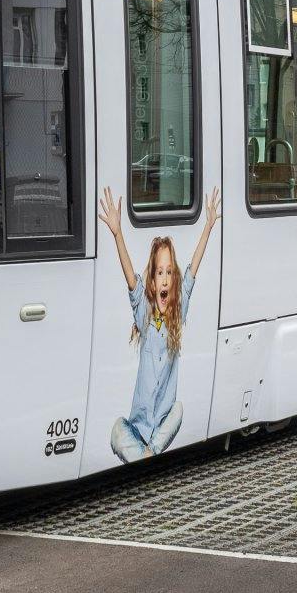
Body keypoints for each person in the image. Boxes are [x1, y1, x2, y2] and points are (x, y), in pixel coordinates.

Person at [96, 184, 221, 462]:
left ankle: (147, 454)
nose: (164, 279)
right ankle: (146, 456)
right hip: (137, 430)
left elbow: (192, 271)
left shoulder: (178, 312)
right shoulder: (143, 314)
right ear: (152, 282)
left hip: (161, 427)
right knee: (117, 429)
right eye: (159, 273)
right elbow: (130, 278)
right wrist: (117, 234)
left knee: (178, 410)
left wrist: (209, 227)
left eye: (168, 273)